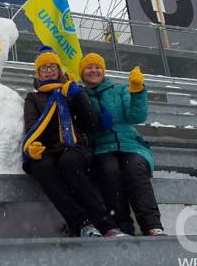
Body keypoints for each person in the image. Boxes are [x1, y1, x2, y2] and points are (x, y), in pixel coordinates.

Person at [22, 46, 122, 238]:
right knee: (40, 166)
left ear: (60, 70)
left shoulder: (73, 90)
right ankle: (82, 224)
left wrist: (77, 96)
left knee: (68, 163)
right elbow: (32, 125)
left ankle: (106, 225)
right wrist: (32, 146)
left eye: (53, 66)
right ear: (38, 74)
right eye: (44, 68)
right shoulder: (33, 97)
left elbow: (91, 123)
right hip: (48, 149)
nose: (49, 70)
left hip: (75, 147)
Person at [79, 53, 165, 236]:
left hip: (130, 144)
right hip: (102, 147)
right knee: (109, 170)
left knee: (134, 168)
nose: (93, 70)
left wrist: (138, 91)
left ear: (103, 71)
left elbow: (136, 116)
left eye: (97, 67)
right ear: (82, 72)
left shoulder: (119, 90)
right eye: (88, 67)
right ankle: (121, 226)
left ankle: (151, 225)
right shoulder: (81, 96)